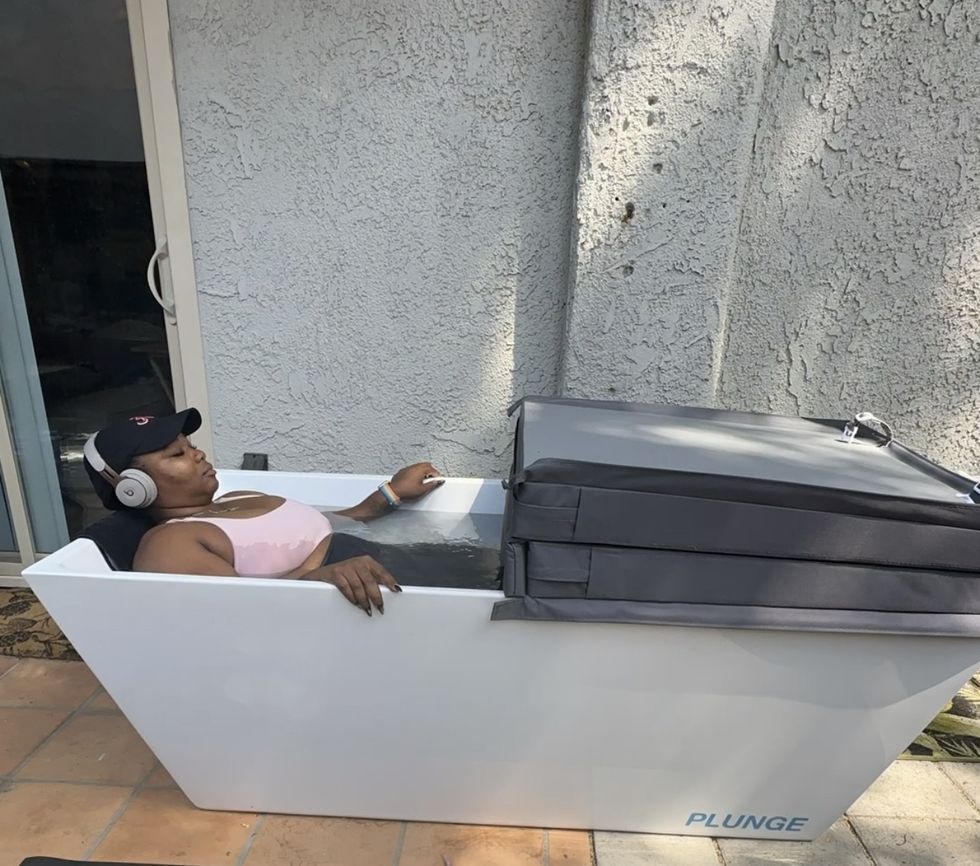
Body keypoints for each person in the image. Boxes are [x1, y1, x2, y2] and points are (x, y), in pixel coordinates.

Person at [83, 408, 446, 616]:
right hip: (367, 588)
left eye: (190, 446)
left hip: (385, 565)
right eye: (177, 454)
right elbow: (245, 614)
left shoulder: (238, 496)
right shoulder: (171, 543)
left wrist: (392, 492)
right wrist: (318, 578)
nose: (198, 454)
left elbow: (336, 523)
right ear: (133, 487)